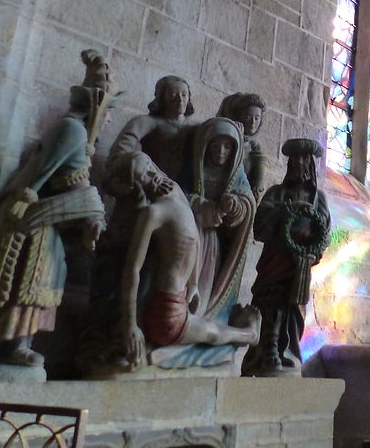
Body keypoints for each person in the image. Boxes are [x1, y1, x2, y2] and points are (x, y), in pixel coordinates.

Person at [0, 50, 115, 367]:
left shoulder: (77, 134)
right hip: (29, 220)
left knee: (42, 279)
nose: (109, 118)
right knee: (24, 281)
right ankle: (5, 347)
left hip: (42, 220)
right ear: (96, 105)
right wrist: (95, 214)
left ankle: (16, 344)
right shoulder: (72, 131)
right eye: (109, 110)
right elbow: (74, 183)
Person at [112, 152, 259, 370]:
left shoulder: (176, 193)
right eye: (144, 176)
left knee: (209, 331)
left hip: (180, 297)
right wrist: (130, 325)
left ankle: (247, 334)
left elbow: (193, 236)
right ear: (137, 186)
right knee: (211, 333)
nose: (153, 175)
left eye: (150, 165)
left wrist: (193, 285)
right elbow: (132, 269)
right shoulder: (154, 213)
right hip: (166, 311)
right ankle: (249, 335)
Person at [243, 138, 331, 376]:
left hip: (299, 265)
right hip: (275, 260)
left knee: (292, 309)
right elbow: (259, 228)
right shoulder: (276, 193)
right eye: (294, 159)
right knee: (270, 301)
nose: (299, 163)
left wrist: (312, 250)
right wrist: (280, 213)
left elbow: (325, 232)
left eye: (304, 159)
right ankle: (265, 352)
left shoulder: (318, 198)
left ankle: (287, 353)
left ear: (310, 165)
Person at [179, 117, 256, 319]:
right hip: (188, 233)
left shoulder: (235, 175)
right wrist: (204, 207)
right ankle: (177, 323)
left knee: (203, 289)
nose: (220, 152)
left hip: (211, 243)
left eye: (227, 147)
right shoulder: (194, 168)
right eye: (215, 145)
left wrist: (235, 206)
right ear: (205, 145)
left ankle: (198, 322)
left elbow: (247, 204)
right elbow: (177, 195)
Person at [108, 75, 194, 181]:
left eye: (184, 95)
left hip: (185, 190)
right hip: (153, 182)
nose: (180, 99)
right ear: (162, 97)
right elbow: (119, 154)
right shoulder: (146, 122)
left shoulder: (196, 128)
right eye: (172, 94)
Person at [217, 92, 268, 197]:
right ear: (238, 117)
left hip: (243, 198)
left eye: (257, 118)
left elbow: (257, 186)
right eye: (247, 116)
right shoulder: (227, 142)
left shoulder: (255, 148)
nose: (253, 122)